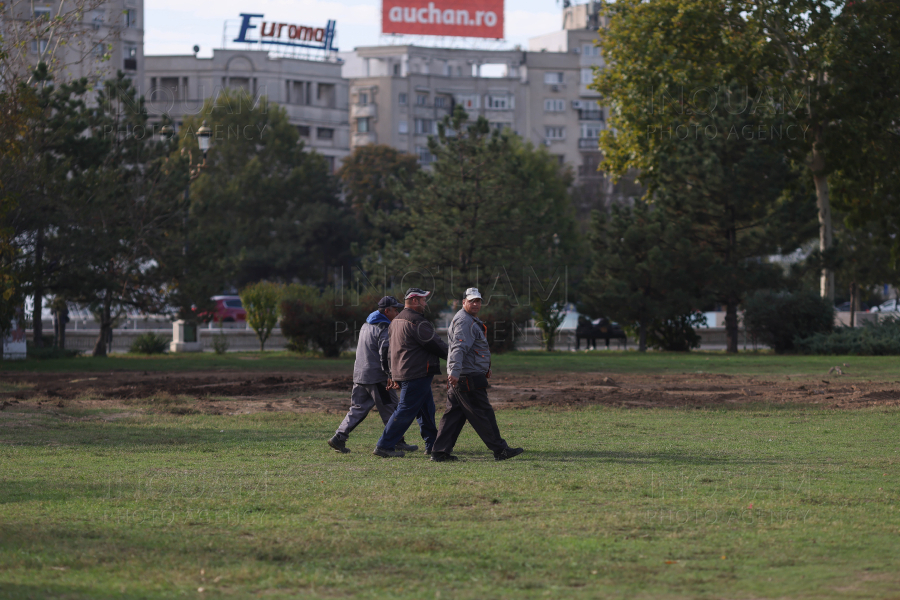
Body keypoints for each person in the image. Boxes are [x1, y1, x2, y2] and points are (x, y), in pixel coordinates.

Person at [431, 287, 524, 462]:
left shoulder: (468, 319)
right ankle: (500, 450)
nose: (475, 303)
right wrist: (455, 372)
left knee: (453, 416)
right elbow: (458, 348)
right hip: (467, 377)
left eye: (478, 301)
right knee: (483, 413)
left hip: (464, 375)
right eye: (472, 300)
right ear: (463, 302)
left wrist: (463, 371)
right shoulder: (465, 321)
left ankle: (439, 452)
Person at [327, 296, 418, 453]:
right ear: (387, 311)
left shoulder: (366, 323)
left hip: (360, 374)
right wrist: (390, 374)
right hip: (378, 377)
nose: (398, 313)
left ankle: (339, 437)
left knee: (358, 408)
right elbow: (385, 351)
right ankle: (396, 442)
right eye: (395, 310)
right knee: (391, 408)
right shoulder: (385, 327)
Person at [372, 288, 448, 458]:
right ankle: (384, 445)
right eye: (423, 300)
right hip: (417, 372)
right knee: (405, 409)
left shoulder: (396, 321)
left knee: (427, 409)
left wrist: (391, 373)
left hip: (405, 371)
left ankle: (432, 444)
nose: (425, 304)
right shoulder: (416, 322)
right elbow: (436, 344)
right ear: (414, 300)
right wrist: (456, 357)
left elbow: (389, 350)